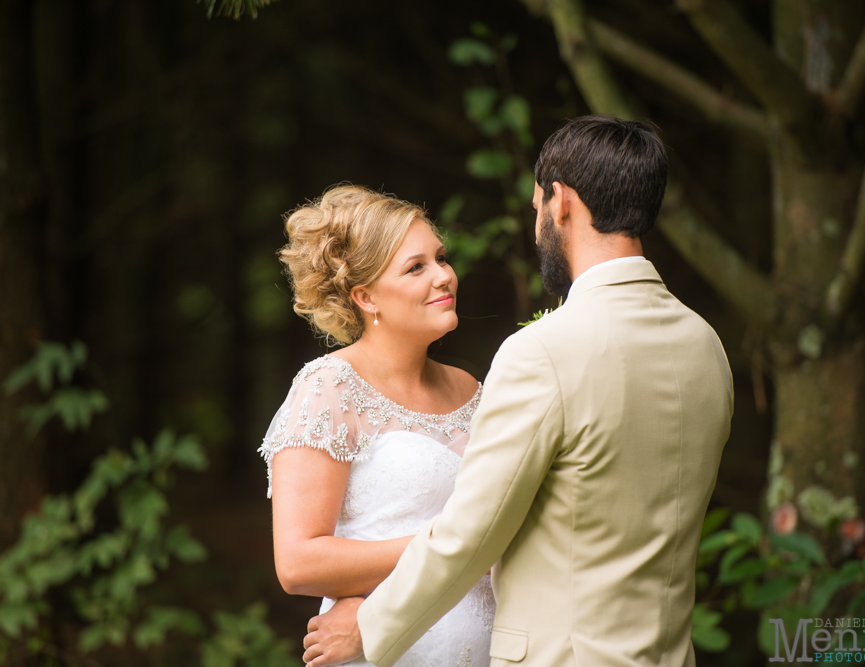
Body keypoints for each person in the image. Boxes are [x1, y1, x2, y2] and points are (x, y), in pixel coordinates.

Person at [302, 115, 734, 667]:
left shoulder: (543, 352)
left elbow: (472, 534)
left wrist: (368, 625)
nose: (537, 230)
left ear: (562, 203)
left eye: (536, 211)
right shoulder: (706, 346)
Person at [258, 184, 496, 667]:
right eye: (416, 267)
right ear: (366, 297)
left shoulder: (470, 389)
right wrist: (452, 549)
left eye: (441, 258)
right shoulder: (329, 388)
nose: (444, 276)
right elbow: (298, 563)